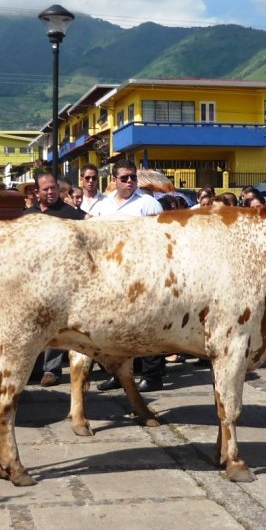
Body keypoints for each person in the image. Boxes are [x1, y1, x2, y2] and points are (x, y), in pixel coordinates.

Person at [96, 159, 165, 392]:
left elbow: (161, 236)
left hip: (143, 271)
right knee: (118, 327)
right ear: (114, 180)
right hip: (113, 273)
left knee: (148, 325)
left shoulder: (147, 203)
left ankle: (152, 375)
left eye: (132, 177)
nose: (129, 182)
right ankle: (119, 373)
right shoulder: (103, 206)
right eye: (124, 178)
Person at [23, 172, 86, 387]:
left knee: (54, 325)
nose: (50, 192)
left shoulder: (70, 213)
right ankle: (33, 367)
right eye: (46, 189)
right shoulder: (27, 215)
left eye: (53, 188)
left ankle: (52, 370)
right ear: (36, 192)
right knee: (33, 324)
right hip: (32, 278)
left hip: (61, 279)